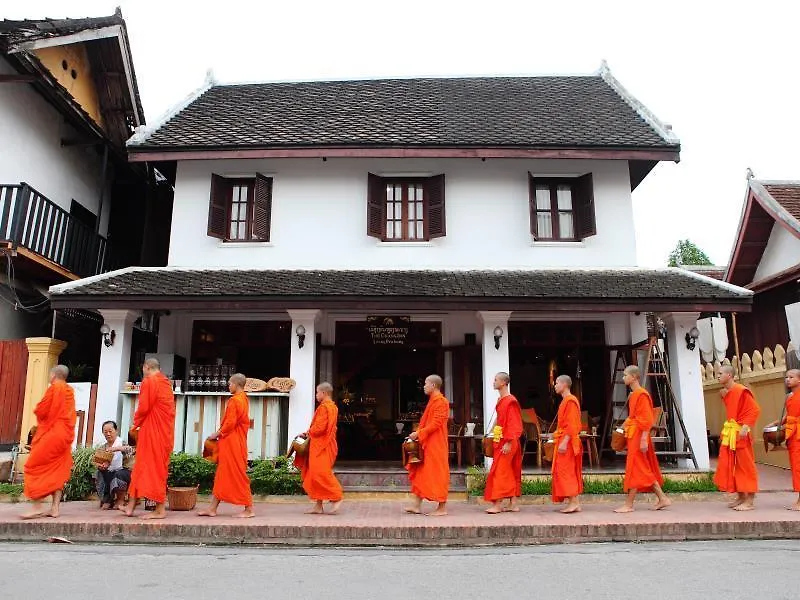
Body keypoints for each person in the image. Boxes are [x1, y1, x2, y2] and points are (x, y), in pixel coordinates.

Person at [20, 365, 76, 520]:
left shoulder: (54, 388)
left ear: (53, 375)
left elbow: (42, 410)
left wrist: (39, 411)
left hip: (53, 434)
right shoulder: (69, 391)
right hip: (65, 436)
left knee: (33, 466)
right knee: (57, 469)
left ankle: (37, 506)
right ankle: (55, 508)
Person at [123, 358, 176, 519]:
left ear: (146, 367)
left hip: (153, 430)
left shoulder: (149, 381)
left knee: (152, 468)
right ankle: (130, 506)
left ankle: (160, 509)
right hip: (162, 431)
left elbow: (144, 407)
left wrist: (135, 424)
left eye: (143, 369)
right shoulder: (166, 382)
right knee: (142, 466)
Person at [614, 365, 671, 513]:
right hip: (634, 434)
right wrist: (622, 427)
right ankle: (662, 498)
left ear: (634, 377)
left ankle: (629, 504)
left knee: (638, 467)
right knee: (638, 468)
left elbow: (646, 419)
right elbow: (633, 417)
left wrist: (645, 438)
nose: (623, 377)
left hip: (640, 435)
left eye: (625, 375)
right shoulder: (634, 395)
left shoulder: (642, 394)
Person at [198, 373, 254, 518]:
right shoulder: (244, 399)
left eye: (230, 383)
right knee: (222, 475)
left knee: (238, 474)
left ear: (236, 384)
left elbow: (230, 423)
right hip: (235, 441)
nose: (228, 386)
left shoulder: (235, 400)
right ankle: (212, 508)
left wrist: (216, 434)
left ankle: (249, 509)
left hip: (232, 442)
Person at [713, 364, 760, 511]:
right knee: (733, 466)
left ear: (729, 375)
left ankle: (750, 501)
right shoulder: (729, 391)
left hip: (740, 433)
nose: (718, 376)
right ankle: (741, 497)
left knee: (746, 466)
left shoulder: (741, 390)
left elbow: (754, 410)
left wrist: (746, 427)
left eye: (720, 373)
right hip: (732, 433)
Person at [293, 382, 343, 514]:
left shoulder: (325, 407)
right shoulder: (332, 407)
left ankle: (337, 496)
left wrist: (308, 433)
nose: (316, 395)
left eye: (317, 392)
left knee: (320, 472)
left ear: (323, 393)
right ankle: (318, 505)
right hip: (323, 443)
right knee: (314, 474)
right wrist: (308, 432)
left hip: (322, 445)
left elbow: (320, 428)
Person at [405, 374, 450, 516]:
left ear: (433, 385)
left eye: (425, 383)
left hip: (436, 443)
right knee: (421, 472)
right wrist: (419, 433)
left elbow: (436, 424)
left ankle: (442, 507)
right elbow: (427, 422)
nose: (423, 386)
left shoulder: (441, 402)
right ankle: (416, 505)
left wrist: (418, 433)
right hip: (428, 442)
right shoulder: (433, 400)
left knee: (438, 473)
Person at [484, 372, 523, 514]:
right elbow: (500, 419)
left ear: (503, 382)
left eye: (495, 380)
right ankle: (513, 504)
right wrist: (491, 432)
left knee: (500, 471)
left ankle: (498, 504)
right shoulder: (501, 400)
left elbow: (514, 424)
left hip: (509, 441)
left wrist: (509, 442)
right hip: (501, 439)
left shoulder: (510, 401)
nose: (493, 382)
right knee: (509, 471)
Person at [551, 375, 583, 514]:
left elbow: (573, 424)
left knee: (566, 471)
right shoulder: (565, 401)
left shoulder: (570, 401)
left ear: (564, 384)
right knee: (563, 470)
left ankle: (574, 502)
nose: (555, 385)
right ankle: (573, 502)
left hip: (568, 442)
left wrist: (565, 441)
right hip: (564, 439)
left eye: (557, 383)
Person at [769, 368, 800, 511]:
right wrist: (777, 423)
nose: (787, 379)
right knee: (795, 466)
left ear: (799, 380)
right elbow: (789, 415)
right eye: (786, 377)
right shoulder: (790, 397)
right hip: (792, 435)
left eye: (791, 377)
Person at [95, 421, 133, 510]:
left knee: (118, 474)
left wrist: (116, 448)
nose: (108, 434)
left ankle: (120, 500)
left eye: (110, 431)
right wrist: (101, 466)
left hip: (126, 471)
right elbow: (98, 461)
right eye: (105, 432)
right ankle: (108, 499)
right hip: (111, 472)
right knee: (101, 472)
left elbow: (130, 450)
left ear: (116, 431)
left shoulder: (122, 443)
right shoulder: (103, 447)